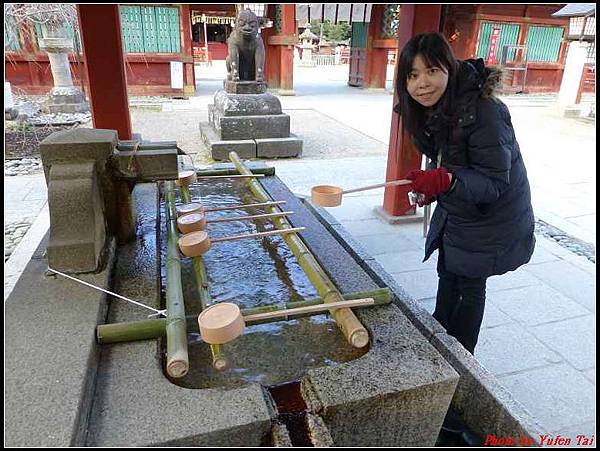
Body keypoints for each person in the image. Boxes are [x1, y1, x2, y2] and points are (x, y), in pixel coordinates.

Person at [394, 32, 535, 355]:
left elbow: (495, 183)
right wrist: (431, 187)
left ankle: (461, 357)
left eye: (431, 71)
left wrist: (446, 181)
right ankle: (439, 333)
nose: (422, 84)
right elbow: (447, 161)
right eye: (412, 75)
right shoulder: (434, 109)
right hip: (461, 210)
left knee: (470, 284)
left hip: (492, 217)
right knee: (448, 270)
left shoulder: (485, 110)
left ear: (450, 68)